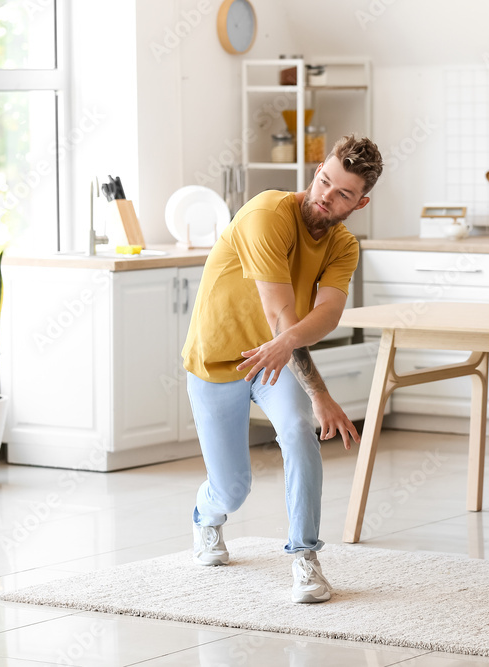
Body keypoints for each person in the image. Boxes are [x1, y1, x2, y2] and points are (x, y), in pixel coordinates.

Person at [181, 135, 383, 603]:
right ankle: (206, 516)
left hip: (273, 362)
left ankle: (305, 558)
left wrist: (299, 368)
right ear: (318, 169)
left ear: (361, 202)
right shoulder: (267, 216)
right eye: (324, 180)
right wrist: (318, 389)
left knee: (297, 431)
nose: (325, 196)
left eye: (342, 194)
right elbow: (283, 316)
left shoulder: (343, 246)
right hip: (217, 362)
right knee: (233, 489)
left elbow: (327, 315)